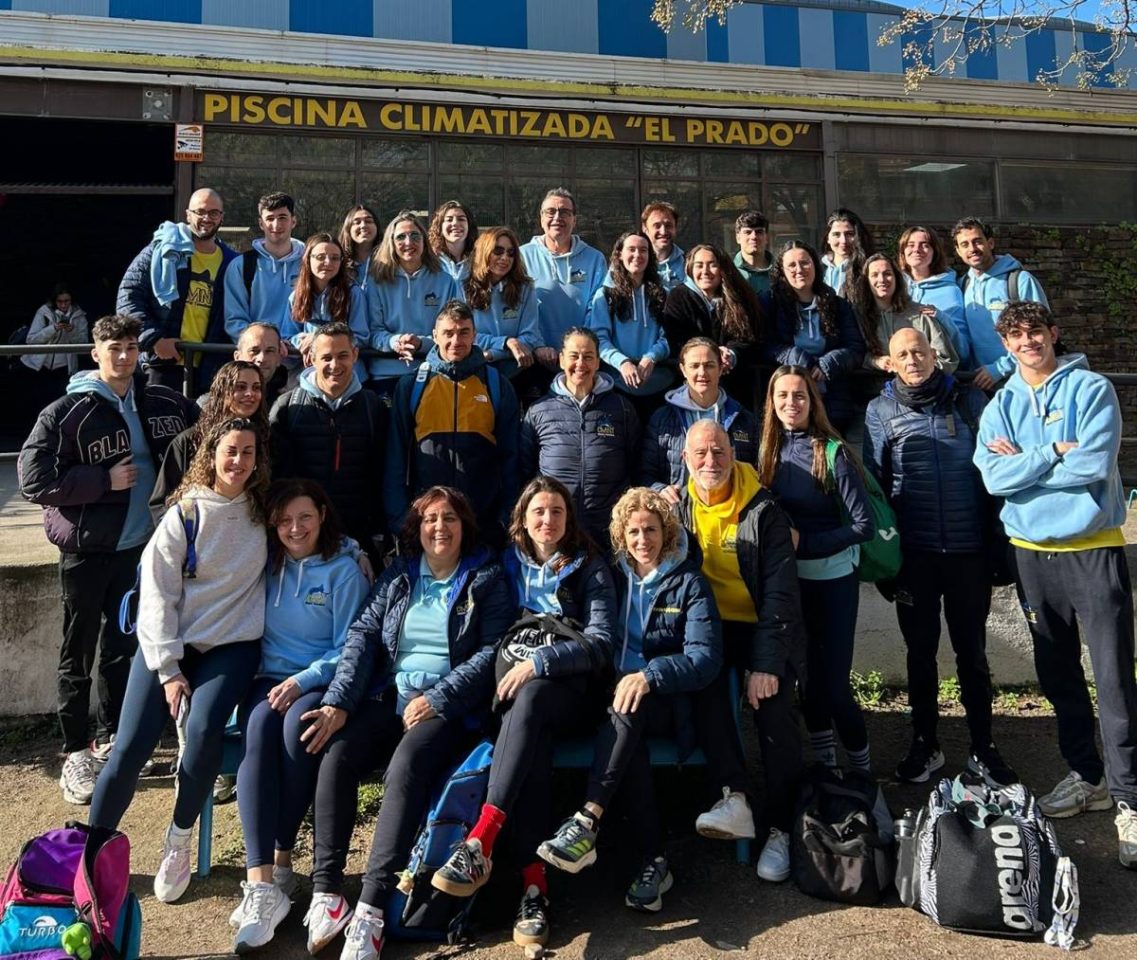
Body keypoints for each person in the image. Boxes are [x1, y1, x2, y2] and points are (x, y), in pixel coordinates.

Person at [299, 487, 512, 960]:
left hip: (450, 709)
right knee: (337, 754)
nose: (440, 528)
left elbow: (492, 651)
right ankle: (328, 893)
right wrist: (339, 703)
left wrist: (438, 698)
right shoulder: (399, 577)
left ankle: (372, 909)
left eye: (449, 518)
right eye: (430, 520)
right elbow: (361, 635)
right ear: (416, 530)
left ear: (464, 525)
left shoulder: (486, 577)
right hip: (390, 697)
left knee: (405, 766)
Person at [973, 301, 1137, 868]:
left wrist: (1028, 464)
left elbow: (1092, 465)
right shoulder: (1000, 405)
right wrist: (1049, 453)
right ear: (1006, 344)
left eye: (1035, 332)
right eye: (1015, 336)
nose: (1027, 342)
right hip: (1031, 557)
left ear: (1052, 334)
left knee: (1114, 678)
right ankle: (1087, 777)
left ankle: (1129, 800)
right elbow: (993, 477)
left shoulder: (1091, 390)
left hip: (1092, 551)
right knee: (1058, 673)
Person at [87, 417, 269, 904]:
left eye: (248, 453)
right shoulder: (183, 516)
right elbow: (155, 600)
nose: (238, 462)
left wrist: (351, 552)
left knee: (207, 726)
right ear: (211, 453)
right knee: (129, 748)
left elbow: (308, 532)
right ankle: (90, 852)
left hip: (231, 643)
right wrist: (168, 670)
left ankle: (179, 836)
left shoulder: (263, 512)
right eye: (231, 451)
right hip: (170, 642)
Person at [430, 477, 615, 951]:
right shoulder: (504, 565)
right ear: (523, 517)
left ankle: (481, 842)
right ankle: (534, 891)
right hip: (513, 700)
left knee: (528, 704)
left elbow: (601, 643)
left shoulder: (589, 566)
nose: (547, 520)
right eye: (538, 511)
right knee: (527, 740)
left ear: (568, 518)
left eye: (556, 511)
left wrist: (540, 664)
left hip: (573, 692)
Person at [18, 314, 196, 805]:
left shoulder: (160, 401)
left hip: (141, 549)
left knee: (123, 646)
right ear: (95, 353)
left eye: (130, 348)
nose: (123, 356)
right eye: (113, 348)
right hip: (86, 547)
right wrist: (101, 482)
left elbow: (209, 432)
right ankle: (74, 748)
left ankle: (110, 734)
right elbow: (33, 479)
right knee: (78, 647)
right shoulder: (66, 411)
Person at [536, 488, 741, 913]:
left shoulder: (688, 582)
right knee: (626, 727)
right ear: (621, 536)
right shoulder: (610, 575)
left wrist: (649, 676)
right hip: (612, 698)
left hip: (669, 699)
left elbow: (705, 658)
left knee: (630, 706)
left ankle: (588, 820)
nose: (642, 539)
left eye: (651, 529)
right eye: (633, 531)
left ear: (666, 533)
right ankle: (652, 862)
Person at [863, 328, 1015, 786]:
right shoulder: (879, 410)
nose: (912, 359)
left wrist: (997, 546)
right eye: (902, 354)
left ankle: (983, 748)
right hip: (916, 556)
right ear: (890, 363)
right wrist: (888, 561)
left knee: (973, 654)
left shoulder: (969, 401)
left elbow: (995, 476)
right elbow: (875, 485)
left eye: (919, 351)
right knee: (920, 654)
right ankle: (924, 743)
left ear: (934, 356)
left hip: (969, 552)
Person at [229, 479, 369, 953]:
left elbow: (349, 644)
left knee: (296, 734)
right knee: (258, 730)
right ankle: (261, 881)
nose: (295, 528)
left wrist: (306, 680)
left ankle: (284, 861)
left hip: (314, 683)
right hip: (268, 677)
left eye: (305, 517)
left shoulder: (344, 571)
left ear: (322, 516)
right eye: (285, 520)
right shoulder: (265, 565)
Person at [677, 420, 804, 884]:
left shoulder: (764, 510)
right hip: (709, 627)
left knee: (772, 714)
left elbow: (780, 594)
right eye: (700, 454)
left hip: (760, 626)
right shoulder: (679, 506)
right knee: (706, 687)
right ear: (685, 459)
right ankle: (735, 798)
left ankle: (781, 827)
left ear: (733, 453)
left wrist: (766, 663)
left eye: (719, 452)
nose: (710, 461)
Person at [758, 366, 874, 783]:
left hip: (833, 580)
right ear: (772, 403)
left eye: (800, 395)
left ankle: (862, 771)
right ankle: (827, 768)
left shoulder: (832, 452)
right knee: (806, 680)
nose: (792, 403)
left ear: (813, 401)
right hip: (790, 583)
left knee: (835, 685)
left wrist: (803, 542)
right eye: (783, 396)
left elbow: (865, 526)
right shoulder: (765, 452)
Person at [384, 300, 520, 547]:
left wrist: (505, 518)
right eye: (448, 333)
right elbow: (395, 459)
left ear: (474, 335)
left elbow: (511, 458)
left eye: (464, 332)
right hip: (427, 525)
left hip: (484, 524)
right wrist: (400, 519)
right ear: (435, 336)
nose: (456, 341)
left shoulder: (497, 384)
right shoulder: (412, 385)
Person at [270, 323, 387, 561]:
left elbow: (382, 472)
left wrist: (377, 530)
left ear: (355, 355)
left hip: (358, 535)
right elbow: (276, 477)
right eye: (326, 357)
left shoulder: (372, 407)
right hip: (301, 538)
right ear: (311, 359)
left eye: (342, 355)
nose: (335, 365)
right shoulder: (287, 407)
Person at [520, 327, 640, 546]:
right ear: (562, 359)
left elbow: (635, 465)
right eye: (574, 356)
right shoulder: (539, 410)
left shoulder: (621, 408)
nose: (580, 364)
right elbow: (524, 469)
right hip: (555, 528)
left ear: (597, 362)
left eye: (588, 357)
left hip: (608, 528)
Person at [117, 187, 237, 390]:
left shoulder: (233, 262)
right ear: (188, 214)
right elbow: (128, 296)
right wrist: (154, 339)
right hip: (163, 364)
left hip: (212, 369)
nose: (206, 218)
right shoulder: (162, 249)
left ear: (222, 217)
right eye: (200, 211)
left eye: (213, 213)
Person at [760, 241, 865, 433]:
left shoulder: (837, 304)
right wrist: (797, 359)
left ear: (815, 265)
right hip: (788, 399)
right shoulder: (770, 303)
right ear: (782, 271)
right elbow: (765, 345)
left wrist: (828, 364)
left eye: (805, 263)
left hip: (832, 397)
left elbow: (855, 348)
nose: (799, 269)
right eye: (791, 265)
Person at [639, 336, 758, 503]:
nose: (702, 373)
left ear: (721, 368)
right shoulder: (662, 419)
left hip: (733, 514)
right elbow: (645, 474)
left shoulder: (743, 418)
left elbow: (758, 471)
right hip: (680, 515)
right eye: (694, 366)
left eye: (709, 365)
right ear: (683, 369)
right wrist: (659, 489)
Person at [151, 359, 266, 522]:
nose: (250, 394)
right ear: (223, 392)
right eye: (240, 387)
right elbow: (162, 504)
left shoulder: (270, 441)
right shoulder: (189, 441)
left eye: (256, 388)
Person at [365, 210, 459, 397]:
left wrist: (420, 343)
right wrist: (396, 342)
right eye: (401, 237)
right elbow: (373, 332)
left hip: (433, 371)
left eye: (415, 236)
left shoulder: (445, 281)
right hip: (385, 374)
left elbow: (452, 332)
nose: (409, 243)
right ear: (391, 243)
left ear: (424, 241)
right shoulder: (375, 282)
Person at [519, 188, 607, 383]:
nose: (557, 217)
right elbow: (518, 308)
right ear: (541, 218)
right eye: (551, 211)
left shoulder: (595, 259)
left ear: (574, 220)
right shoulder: (520, 257)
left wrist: (580, 349)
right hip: (537, 358)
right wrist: (538, 346)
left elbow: (597, 308)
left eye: (565, 212)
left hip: (580, 362)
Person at [953, 216, 1050, 392]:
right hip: (978, 385)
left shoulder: (1018, 281)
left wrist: (1000, 369)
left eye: (977, 241)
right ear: (958, 251)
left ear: (990, 243)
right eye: (965, 244)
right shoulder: (962, 285)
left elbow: (1041, 333)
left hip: (1022, 382)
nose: (972, 249)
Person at [661, 244, 761, 403]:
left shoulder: (739, 297)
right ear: (690, 269)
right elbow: (677, 340)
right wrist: (712, 353)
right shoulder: (678, 297)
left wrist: (731, 354)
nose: (705, 271)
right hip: (693, 383)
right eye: (699, 265)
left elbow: (749, 337)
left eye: (712, 264)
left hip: (736, 383)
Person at [589, 232, 673, 412]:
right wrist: (623, 363)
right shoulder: (605, 295)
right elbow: (599, 340)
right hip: (617, 384)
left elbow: (669, 337)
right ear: (619, 254)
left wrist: (651, 357)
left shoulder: (663, 294)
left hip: (659, 383)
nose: (637, 255)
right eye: (631, 249)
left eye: (643, 250)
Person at [281, 234, 369, 381]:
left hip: (349, 377)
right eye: (320, 257)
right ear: (308, 259)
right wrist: (303, 341)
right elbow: (287, 336)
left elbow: (362, 337)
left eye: (335, 258)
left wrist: (318, 339)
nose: (328, 262)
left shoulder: (353, 294)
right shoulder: (296, 296)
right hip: (312, 376)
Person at [851, 253, 958, 373]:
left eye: (887, 274)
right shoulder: (857, 316)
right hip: (874, 389)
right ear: (867, 281)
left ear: (897, 278)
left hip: (921, 389)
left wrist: (914, 370)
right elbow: (852, 355)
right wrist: (874, 361)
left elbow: (948, 361)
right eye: (875, 275)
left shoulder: (921, 314)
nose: (881, 279)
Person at [461, 227, 541, 381]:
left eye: (510, 253)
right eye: (498, 251)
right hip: (473, 369)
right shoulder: (462, 287)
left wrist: (493, 354)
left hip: (515, 370)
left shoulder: (525, 288)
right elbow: (464, 335)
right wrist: (506, 342)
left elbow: (530, 337)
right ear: (485, 251)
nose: (505, 258)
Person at [223, 192, 304, 340]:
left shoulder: (309, 265)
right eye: (270, 218)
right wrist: (269, 346)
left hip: (300, 357)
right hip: (257, 357)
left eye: (282, 218)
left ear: (293, 221)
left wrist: (295, 344)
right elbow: (235, 321)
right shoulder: (241, 266)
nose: (276, 225)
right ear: (261, 224)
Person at [897, 225, 968, 359]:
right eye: (910, 245)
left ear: (934, 252)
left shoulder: (950, 291)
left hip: (936, 370)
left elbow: (963, 350)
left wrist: (940, 317)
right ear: (902, 252)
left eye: (924, 245)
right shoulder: (894, 287)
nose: (916, 250)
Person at [22, 284, 89, 387]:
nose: (63, 305)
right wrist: (52, 329)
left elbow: (83, 343)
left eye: (66, 301)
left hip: (64, 368)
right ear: (54, 300)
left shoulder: (79, 316)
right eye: (60, 301)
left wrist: (72, 331)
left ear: (72, 300)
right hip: (38, 366)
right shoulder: (44, 312)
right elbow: (31, 340)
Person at [820, 208, 875, 298]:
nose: (843, 241)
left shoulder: (868, 268)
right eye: (836, 234)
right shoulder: (817, 268)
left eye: (849, 234)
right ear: (827, 238)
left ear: (858, 236)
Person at [234, 321, 289, 409]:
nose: (262, 359)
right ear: (237, 357)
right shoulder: (212, 404)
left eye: (269, 351)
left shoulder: (288, 409)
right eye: (254, 351)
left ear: (279, 359)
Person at [429, 200, 479, 282]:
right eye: (449, 220)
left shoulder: (480, 259)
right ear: (440, 227)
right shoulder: (430, 260)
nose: (455, 223)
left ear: (469, 225)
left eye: (461, 219)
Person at [641, 201, 685, 292]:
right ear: (645, 228)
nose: (663, 232)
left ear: (675, 228)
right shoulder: (634, 263)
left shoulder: (687, 264)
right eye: (657, 226)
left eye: (668, 225)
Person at [337, 205, 379, 292]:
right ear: (348, 229)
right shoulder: (338, 262)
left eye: (368, 221)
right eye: (357, 222)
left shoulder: (390, 261)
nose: (363, 226)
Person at [733, 210, 774, 296]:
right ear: (738, 238)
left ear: (766, 237)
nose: (753, 237)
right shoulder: (728, 272)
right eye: (748, 232)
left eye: (759, 232)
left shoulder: (782, 272)